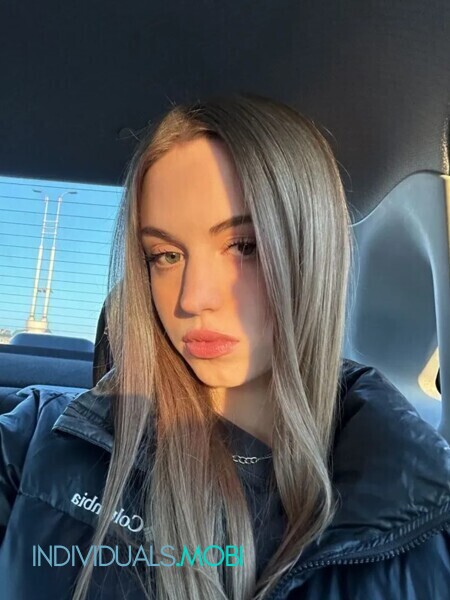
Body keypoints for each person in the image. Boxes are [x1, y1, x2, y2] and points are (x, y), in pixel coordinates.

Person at [0, 93, 449, 600]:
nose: (192, 299)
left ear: (314, 250)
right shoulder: (38, 441)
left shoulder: (428, 510)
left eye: (244, 246)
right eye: (165, 255)